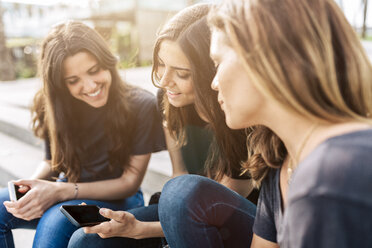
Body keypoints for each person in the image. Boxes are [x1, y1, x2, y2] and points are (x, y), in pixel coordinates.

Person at [68, 4, 257, 248]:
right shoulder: (169, 100)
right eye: (160, 64)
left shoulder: (238, 112)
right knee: (86, 241)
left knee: (181, 193)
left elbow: (214, 204)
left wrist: (141, 230)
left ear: (212, 70)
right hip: (184, 208)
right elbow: (180, 174)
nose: (165, 81)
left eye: (182, 73)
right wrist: (137, 228)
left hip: (238, 219)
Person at [206, 0, 372, 247]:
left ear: (266, 58)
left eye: (218, 63)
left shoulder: (333, 178)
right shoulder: (279, 163)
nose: (214, 83)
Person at [0, 21, 165, 248]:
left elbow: (129, 182)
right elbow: (51, 161)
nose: (89, 86)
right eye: (73, 81)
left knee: (55, 220)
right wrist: (34, 186)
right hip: (67, 189)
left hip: (117, 199)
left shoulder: (141, 105)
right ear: (60, 85)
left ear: (107, 61)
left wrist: (60, 191)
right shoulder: (54, 105)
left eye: (93, 70)